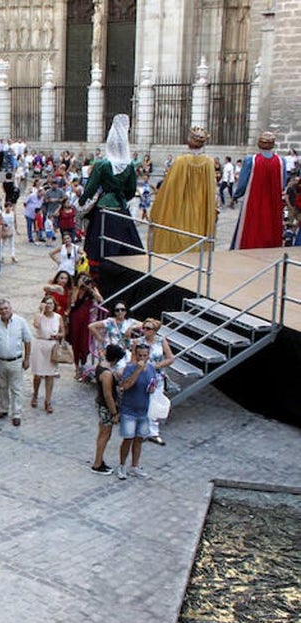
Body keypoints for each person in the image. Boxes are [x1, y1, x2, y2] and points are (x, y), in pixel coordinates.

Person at [79, 114, 144, 279]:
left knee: (97, 242)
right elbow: (131, 190)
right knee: (127, 240)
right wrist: (122, 197)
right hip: (120, 207)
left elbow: (91, 188)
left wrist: (81, 201)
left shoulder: (102, 165)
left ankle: (97, 272)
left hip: (104, 206)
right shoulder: (129, 166)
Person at [150, 127, 217, 255]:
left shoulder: (180, 161)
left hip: (181, 207)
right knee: (197, 232)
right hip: (201, 208)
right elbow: (211, 190)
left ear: (189, 141)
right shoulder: (209, 162)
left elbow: (169, 189)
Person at [231, 131, 286, 250]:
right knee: (271, 227)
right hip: (273, 203)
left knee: (251, 226)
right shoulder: (281, 162)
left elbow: (242, 184)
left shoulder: (251, 160)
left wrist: (236, 196)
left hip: (254, 201)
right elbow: (283, 183)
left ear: (259, 144)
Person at [115, 343, 157, 480]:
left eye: (145, 355)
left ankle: (135, 466)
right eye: (140, 355)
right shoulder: (130, 368)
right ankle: (122, 465)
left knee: (139, 439)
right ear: (135, 355)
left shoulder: (151, 368)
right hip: (129, 409)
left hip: (143, 409)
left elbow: (152, 383)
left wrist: (152, 388)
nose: (142, 358)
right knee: (128, 438)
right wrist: (137, 371)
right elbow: (125, 386)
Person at [0, 298, 33, 426]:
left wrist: (27, 359)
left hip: (16, 360)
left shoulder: (20, 322)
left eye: (6, 308)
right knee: (2, 386)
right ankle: (4, 409)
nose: (4, 311)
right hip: (0, 361)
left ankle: (16, 413)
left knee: (16, 388)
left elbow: (27, 340)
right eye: (1, 309)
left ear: (11, 309)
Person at [90, 344, 126, 475]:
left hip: (101, 404)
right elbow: (108, 395)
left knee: (102, 434)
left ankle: (98, 460)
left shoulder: (102, 366)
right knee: (105, 435)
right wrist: (115, 413)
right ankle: (97, 463)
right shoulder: (107, 374)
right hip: (106, 407)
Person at [139, 319, 175, 446]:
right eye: (144, 328)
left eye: (149, 329)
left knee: (155, 403)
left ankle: (154, 432)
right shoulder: (139, 342)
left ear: (155, 331)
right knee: (143, 403)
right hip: (142, 376)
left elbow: (171, 358)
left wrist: (157, 366)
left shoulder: (161, 341)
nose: (145, 331)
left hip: (157, 376)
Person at [29, 296, 65, 415]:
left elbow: (63, 332)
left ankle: (48, 401)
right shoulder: (39, 316)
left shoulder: (58, 317)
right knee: (38, 375)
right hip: (40, 345)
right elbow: (37, 325)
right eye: (47, 303)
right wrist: (40, 311)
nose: (49, 306)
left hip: (52, 346)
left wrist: (58, 336)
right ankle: (35, 394)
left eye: (51, 303)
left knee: (50, 375)